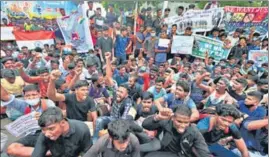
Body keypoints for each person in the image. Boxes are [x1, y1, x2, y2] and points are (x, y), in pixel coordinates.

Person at [4, 84, 55, 157]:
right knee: (11, 149)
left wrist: (44, 116)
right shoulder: (23, 104)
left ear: (39, 94)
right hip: (31, 135)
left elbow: (56, 116)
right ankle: (46, 152)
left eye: (34, 94)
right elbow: (6, 97)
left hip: (47, 133)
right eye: (28, 96)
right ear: (24, 97)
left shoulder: (47, 103)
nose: (31, 97)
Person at [142, 105, 211, 157]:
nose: (182, 125)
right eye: (179, 121)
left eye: (186, 122)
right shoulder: (166, 122)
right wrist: (157, 118)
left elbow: (203, 150)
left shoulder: (193, 131)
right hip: (162, 150)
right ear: (173, 118)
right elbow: (145, 125)